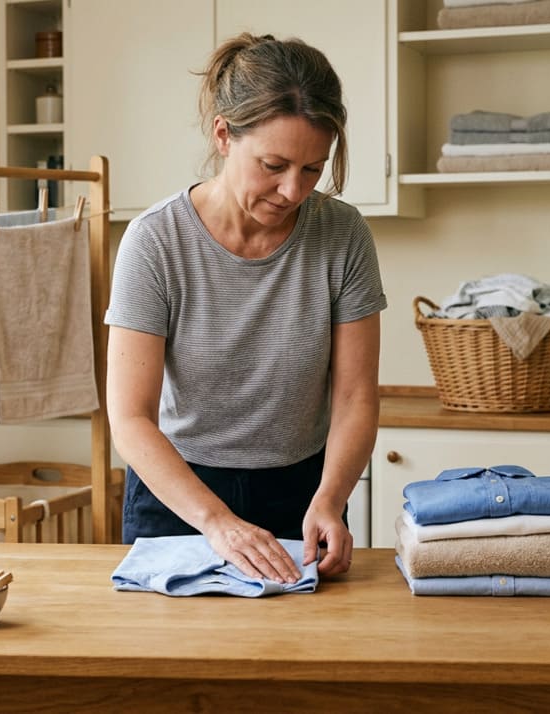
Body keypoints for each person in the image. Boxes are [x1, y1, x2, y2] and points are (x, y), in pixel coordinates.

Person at [104, 33, 386, 583]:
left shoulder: (343, 235)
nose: (293, 190)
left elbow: (355, 395)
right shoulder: (155, 242)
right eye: (274, 164)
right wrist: (217, 522)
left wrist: (331, 497)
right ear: (224, 135)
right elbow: (131, 418)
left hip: (303, 495)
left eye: (312, 169)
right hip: (178, 498)